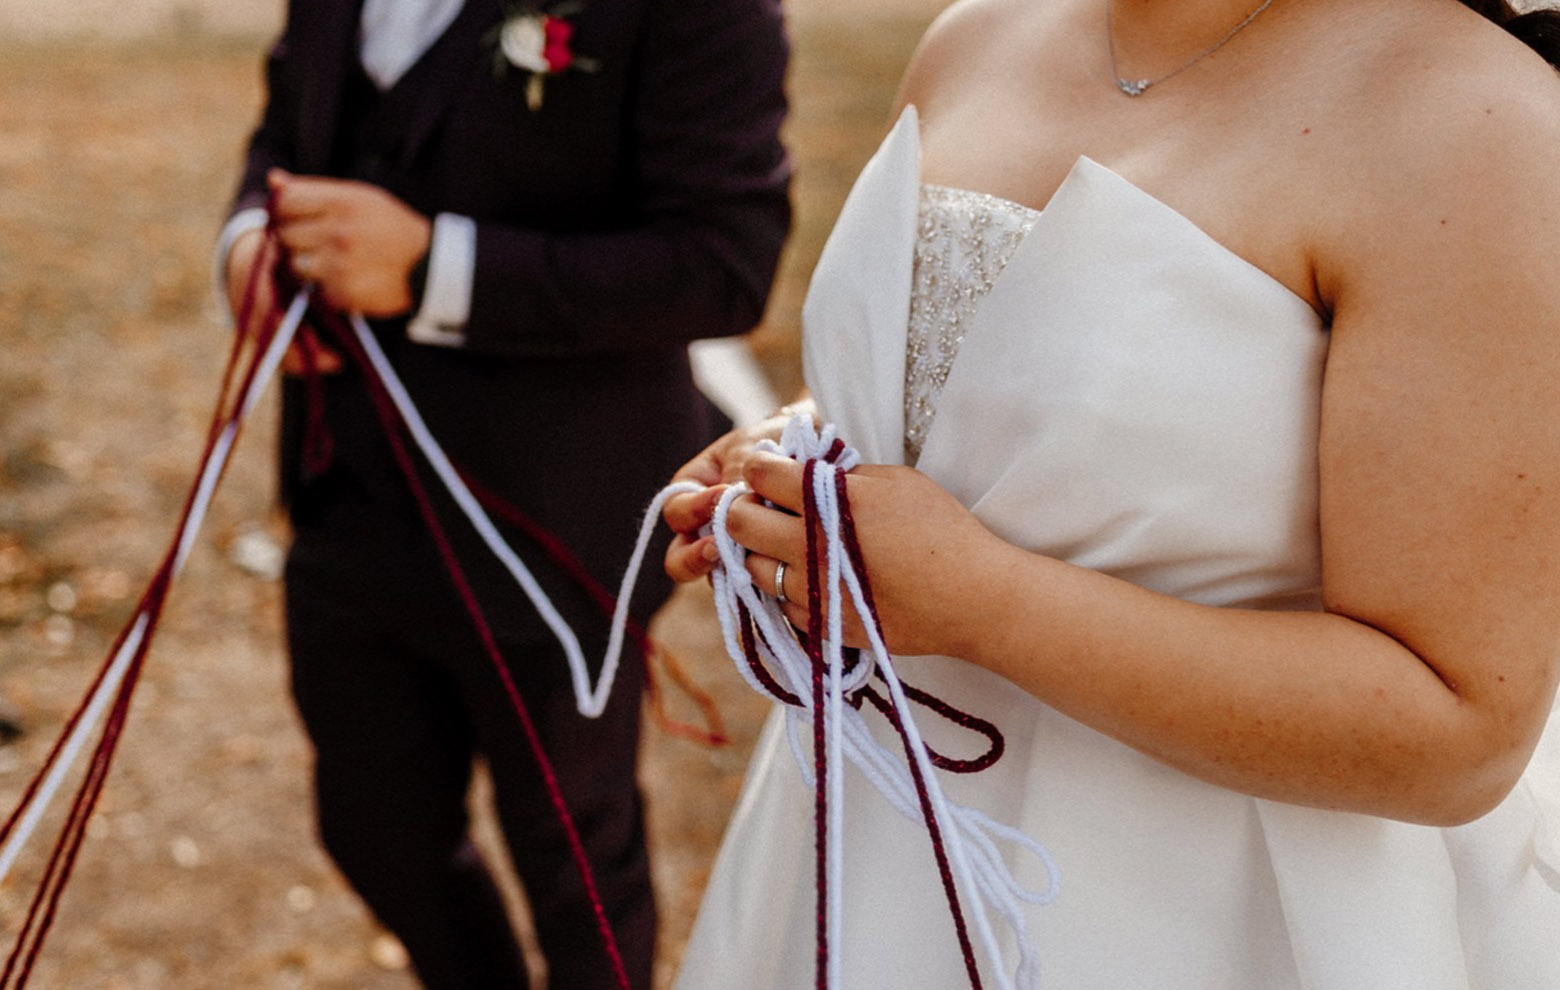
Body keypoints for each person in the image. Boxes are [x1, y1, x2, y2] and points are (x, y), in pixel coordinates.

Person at [660, 0, 1560, 985]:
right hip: (867, 846)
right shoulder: (977, 34)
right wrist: (803, 449)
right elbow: (984, 376)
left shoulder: (1477, 130)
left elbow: (1457, 735)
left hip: (1203, 913)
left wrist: (982, 605)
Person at [216, 1, 790, 987]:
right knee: (373, 829)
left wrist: (438, 269)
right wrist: (246, 247)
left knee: (573, 866)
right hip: (344, 490)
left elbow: (723, 265)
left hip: (557, 522)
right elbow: (287, 124)